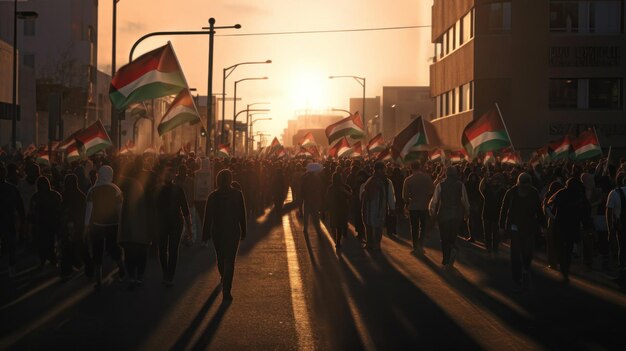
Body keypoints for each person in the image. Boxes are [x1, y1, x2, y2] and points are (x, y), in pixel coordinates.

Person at [203, 169, 247, 302]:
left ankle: (224, 278)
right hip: (233, 231)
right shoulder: (237, 194)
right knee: (230, 261)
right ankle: (227, 289)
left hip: (218, 232)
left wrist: (205, 234)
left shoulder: (213, 196)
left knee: (221, 258)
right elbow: (242, 215)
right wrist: (244, 231)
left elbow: (208, 217)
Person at [500, 173, 544, 290]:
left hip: (529, 226)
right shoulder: (512, 192)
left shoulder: (534, 192)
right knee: (515, 252)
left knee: (527, 251)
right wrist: (502, 225)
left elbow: (539, 210)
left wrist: (543, 224)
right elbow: (504, 209)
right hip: (515, 226)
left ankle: (525, 267)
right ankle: (517, 276)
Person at [85, 165, 125, 288]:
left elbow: (89, 211)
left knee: (97, 251)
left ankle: (98, 279)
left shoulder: (92, 190)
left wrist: (85, 227)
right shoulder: (116, 189)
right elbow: (120, 210)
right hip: (113, 225)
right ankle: (122, 270)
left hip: (97, 226)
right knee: (114, 248)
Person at [548, 177, 592, 283]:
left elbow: (551, 203)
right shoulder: (580, 195)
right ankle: (565, 268)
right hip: (573, 224)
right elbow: (586, 210)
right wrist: (586, 225)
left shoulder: (562, 192)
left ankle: (563, 267)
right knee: (569, 247)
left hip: (561, 224)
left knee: (561, 245)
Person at [156, 167, 192, 287]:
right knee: (171, 250)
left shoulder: (158, 189)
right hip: (174, 222)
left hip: (164, 222)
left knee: (164, 249)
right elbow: (186, 210)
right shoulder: (177, 189)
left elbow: (185, 210)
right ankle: (169, 275)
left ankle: (167, 274)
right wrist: (189, 228)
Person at [429, 166, 469, 268]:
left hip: (443, 215)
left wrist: (432, 212)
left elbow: (434, 200)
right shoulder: (461, 185)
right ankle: (452, 249)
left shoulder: (440, 185)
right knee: (452, 236)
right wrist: (467, 213)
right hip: (456, 215)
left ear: (446, 174)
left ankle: (445, 259)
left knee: (444, 238)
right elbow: (465, 201)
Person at [118, 162, 150, 289]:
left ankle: (132, 276)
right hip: (141, 225)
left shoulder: (123, 185)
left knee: (129, 253)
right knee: (141, 252)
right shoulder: (140, 184)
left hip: (128, 225)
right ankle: (139, 276)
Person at [361, 161, 396, 251]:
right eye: (384, 169)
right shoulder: (387, 182)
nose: (385, 171)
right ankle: (376, 245)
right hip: (380, 209)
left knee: (369, 226)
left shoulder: (370, 180)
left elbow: (361, 193)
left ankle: (370, 244)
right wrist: (392, 208)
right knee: (378, 227)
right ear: (380, 170)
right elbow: (391, 196)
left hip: (368, 209)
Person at [59, 174, 88, 280]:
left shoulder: (64, 195)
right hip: (78, 226)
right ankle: (88, 269)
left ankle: (66, 271)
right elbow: (84, 212)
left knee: (67, 249)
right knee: (81, 247)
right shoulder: (81, 195)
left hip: (67, 227)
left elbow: (61, 211)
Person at [30, 176, 63, 269]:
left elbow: (32, 211)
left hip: (41, 223)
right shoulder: (55, 195)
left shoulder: (36, 196)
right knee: (52, 241)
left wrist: (32, 223)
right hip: (53, 222)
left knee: (41, 242)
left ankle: (43, 259)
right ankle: (53, 258)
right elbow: (60, 208)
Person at [402, 161, 434, 254]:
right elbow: (432, 190)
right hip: (424, 205)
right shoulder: (427, 178)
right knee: (423, 227)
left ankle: (415, 246)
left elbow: (404, 196)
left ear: (411, 168)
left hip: (413, 206)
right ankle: (421, 244)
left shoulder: (408, 180)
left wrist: (407, 203)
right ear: (420, 167)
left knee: (414, 227)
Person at [0, 163, 26, 276]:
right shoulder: (12, 188)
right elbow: (20, 207)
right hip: (8, 219)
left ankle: (11, 265)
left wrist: (22, 219)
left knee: (10, 244)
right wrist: (22, 219)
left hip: (8, 219)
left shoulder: (12, 189)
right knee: (11, 244)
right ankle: (11, 265)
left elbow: (19, 207)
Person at [606, 176, 626, 288]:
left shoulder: (614, 193)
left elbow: (608, 212)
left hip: (621, 227)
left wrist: (610, 230)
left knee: (622, 249)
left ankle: (622, 275)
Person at [480, 173, 506, 254]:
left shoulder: (503, 190)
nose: (495, 180)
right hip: (487, 213)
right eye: (494, 179)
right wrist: (484, 179)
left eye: (497, 179)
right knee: (487, 233)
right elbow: (481, 188)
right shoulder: (487, 188)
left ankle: (495, 248)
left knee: (496, 234)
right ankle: (488, 248)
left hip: (497, 215)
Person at [326, 171, 352, 250]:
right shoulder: (343, 187)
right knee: (339, 225)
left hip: (334, 209)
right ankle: (338, 240)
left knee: (334, 225)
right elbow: (350, 195)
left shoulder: (331, 188)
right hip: (341, 208)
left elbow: (327, 198)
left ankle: (337, 240)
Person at [300, 163, 324, 235]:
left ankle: (305, 228)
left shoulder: (304, 177)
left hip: (307, 198)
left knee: (306, 214)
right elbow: (320, 188)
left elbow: (302, 188)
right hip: (315, 198)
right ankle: (318, 228)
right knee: (315, 214)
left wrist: (302, 196)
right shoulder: (317, 177)